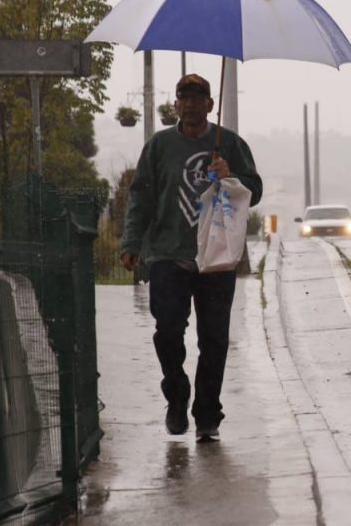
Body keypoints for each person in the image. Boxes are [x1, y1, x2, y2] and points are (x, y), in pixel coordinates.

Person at [120, 73, 262, 441]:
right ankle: (177, 393)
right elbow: (141, 196)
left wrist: (231, 176)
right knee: (167, 331)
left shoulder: (229, 143)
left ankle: (207, 415)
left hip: (216, 256)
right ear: (176, 105)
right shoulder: (159, 146)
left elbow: (255, 191)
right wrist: (131, 242)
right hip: (168, 254)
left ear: (210, 105)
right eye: (185, 97)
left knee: (214, 339)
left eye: (199, 98)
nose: (192, 104)